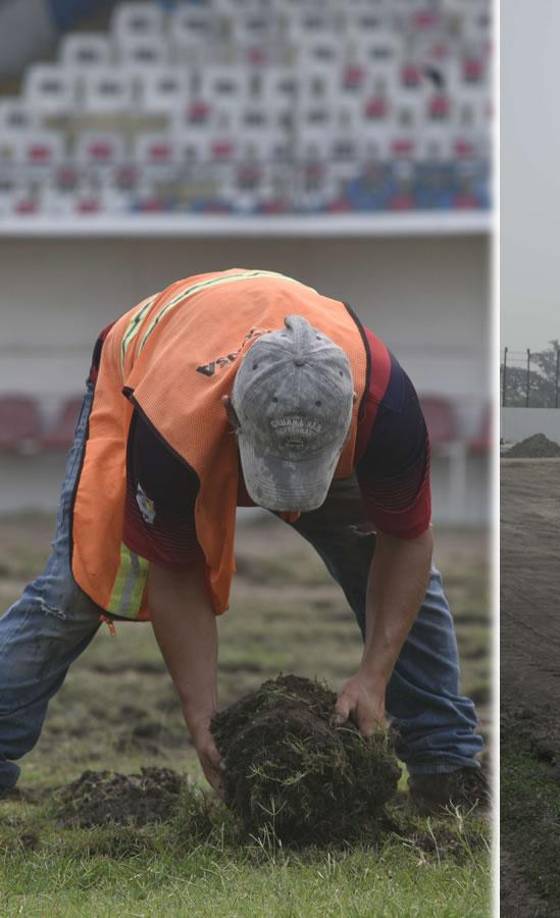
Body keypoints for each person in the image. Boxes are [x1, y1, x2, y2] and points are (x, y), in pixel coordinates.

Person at [0, 269, 485, 811]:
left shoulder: (386, 406)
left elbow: (408, 543)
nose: (288, 500)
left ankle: (447, 765)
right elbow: (175, 571)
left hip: (271, 368)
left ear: (350, 413)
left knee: (387, 565)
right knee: (74, 589)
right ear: (232, 416)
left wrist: (374, 677)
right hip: (142, 369)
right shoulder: (168, 429)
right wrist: (203, 719)